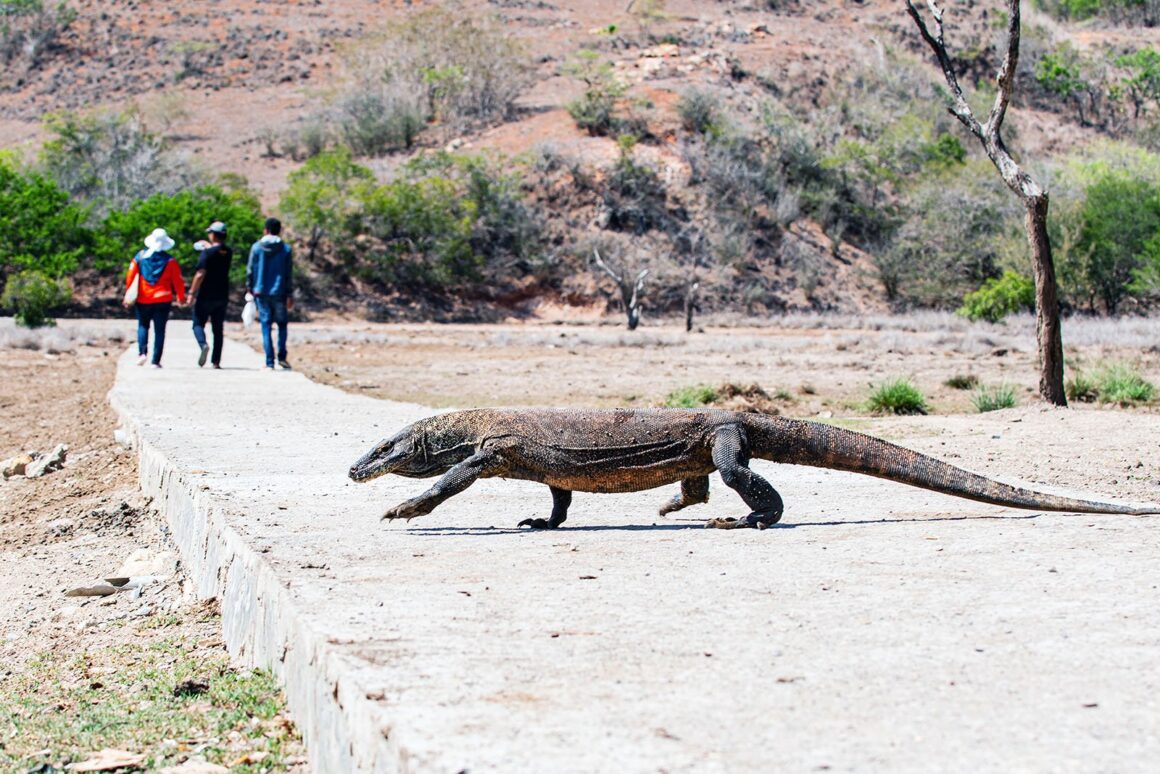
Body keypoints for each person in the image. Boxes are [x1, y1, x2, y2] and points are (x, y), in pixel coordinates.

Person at [124, 228, 186, 368]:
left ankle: (142, 353)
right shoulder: (170, 261)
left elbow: (130, 276)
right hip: (163, 299)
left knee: (143, 325)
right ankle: (155, 361)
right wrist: (181, 297)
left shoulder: (140, 257)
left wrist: (128, 294)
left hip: (143, 298)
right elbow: (178, 281)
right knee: (160, 330)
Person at [247, 217, 294, 370]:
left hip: (261, 292)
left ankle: (269, 362)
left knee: (266, 326)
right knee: (282, 325)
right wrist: (289, 294)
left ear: (266, 230)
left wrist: (249, 288)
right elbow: (288, 274)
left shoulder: (256, 248)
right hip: (280, 291)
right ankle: (282, 357)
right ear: (279, 230)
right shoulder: (285, 249)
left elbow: (250, 271)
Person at [189, 221, 233, 369]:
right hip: (222, 295)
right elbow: (219, 251)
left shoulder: (207, 253)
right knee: (218, 329)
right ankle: (216, 361)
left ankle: (203, 344)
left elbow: (200, 273)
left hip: (205, 295)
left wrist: (191, 292)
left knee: (197, 323)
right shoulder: (228, 252)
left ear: (213, 234)